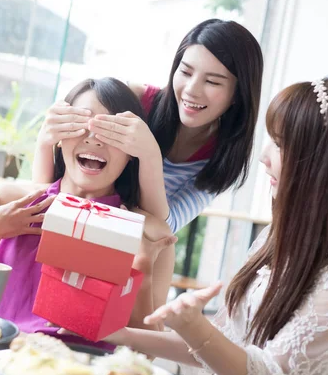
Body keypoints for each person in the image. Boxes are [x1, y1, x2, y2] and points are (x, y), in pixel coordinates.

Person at [80, 77, 328, 375]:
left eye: (280, 144)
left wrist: (196, 327)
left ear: (327, 162)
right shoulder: (276, 236)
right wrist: (117, 334)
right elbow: (222, 348)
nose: (264, 157)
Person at [0, 77, 177, 346]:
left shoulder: (150, 234)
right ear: (59, 136)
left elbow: (147, 353)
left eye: (111, 131)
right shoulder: (4, 200)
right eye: (82, 125)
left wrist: (142, 272)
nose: (95, 140)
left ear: (131, 152)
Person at [32, 19, 264, 233]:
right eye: (185, 72)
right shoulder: (134, 100)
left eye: (212, 81)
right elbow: (54, 185)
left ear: (238, 94)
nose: (192, 89)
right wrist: (45, 142)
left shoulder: (222, 158)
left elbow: (164, 230)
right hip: (64, 221)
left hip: (125, 246)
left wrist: (149, 155)